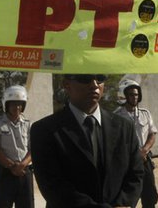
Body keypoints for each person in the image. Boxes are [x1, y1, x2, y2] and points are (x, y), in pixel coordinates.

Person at [30, 75, 143, 207]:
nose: (94, 85)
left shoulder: (125, 127)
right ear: (67, 84)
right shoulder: (45, 130)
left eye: (99, 78)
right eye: (85, 79)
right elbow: (52, 185)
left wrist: (123, 204)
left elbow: (136, 174)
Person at [112, 78, 158, 208]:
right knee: (128, 198)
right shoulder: (116, 116)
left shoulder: (145, 114)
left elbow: (152, 134)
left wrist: (144, 150)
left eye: (137, 94)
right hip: (126, 164)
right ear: (124, 95)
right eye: (131, 94)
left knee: (150, 196)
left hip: (144, 161)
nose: (135, 97)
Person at [0, 85, 33, 208]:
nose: (17, 107)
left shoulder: (28, 124)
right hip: (5, 173)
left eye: (20, 104)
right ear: (6, 105)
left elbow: (32, 149)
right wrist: (12, 166)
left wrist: (22, 165)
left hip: (24, 172)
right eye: (13, 104)